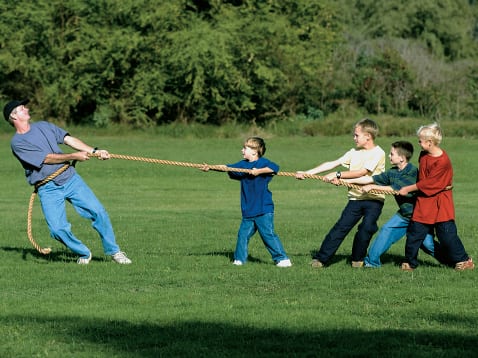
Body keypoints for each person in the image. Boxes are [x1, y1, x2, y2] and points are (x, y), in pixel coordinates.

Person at [4, 98, 131, 265]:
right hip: (47, 188)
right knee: (57, 229)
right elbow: (46, 158)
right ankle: (84, 253)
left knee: (98, 212)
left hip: (70, 179)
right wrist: (73, 156)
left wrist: (94, 151)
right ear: (13, 117)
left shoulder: (43, 126)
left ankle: (114, 252)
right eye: (21, 109)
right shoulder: (18, 143)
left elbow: (68, 139)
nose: (26, 109)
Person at [296, 118, 386, 268]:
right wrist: (307, 173)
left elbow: (363, 172)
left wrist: (338, 175)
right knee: (340, 228)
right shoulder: (353, 152)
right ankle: (321, 259)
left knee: (366, 228)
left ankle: (357, 259)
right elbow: (332, 163)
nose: (354, 138)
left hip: (374, 199)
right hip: (355, 198)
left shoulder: (378, 153)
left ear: (368, 136)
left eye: (357, 135)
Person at [201, 137, 292, 267]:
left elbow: (274, 167)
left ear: (255, 151)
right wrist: (210, 167)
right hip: (248, 209)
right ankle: (239, 260)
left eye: (245, 148)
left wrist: (258, 171)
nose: (242, 150)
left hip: (263, 209)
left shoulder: (263, 163)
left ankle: (282, 259)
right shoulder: (242, 165)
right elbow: (226, 167)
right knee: (242, 235)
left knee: (268, 235)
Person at [344, 141, 435, 267]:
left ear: (402, 158)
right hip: (404, 215)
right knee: (386, 230)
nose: (389, 156)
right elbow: (369, 179)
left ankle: (455, 260)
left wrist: (372, 187)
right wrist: (342, 178)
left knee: (428, 245)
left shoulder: (412, 171)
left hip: (418, 216)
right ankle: (371, 263)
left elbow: (396, 189)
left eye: (392, 154)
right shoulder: (392, 172)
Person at [398, 123, 474, 271]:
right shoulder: (423, 155)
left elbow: (430, 183)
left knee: (446, 235)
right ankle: (410, 263)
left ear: (430, 142)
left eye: (420, 141)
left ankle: (464, 260)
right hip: (424, 201)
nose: (418, 143)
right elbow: (423, 179)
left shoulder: (443, 161)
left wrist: (407, 189)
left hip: (440, 202)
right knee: (415, 234)